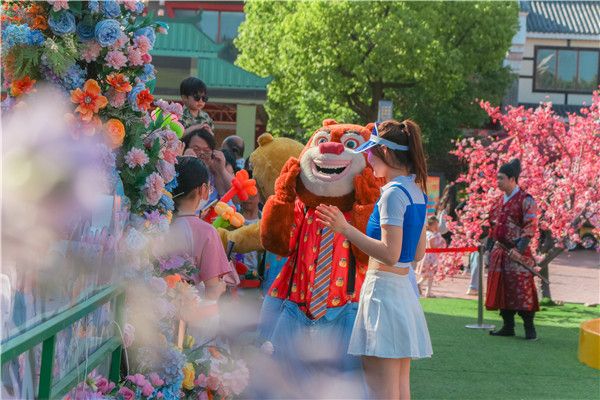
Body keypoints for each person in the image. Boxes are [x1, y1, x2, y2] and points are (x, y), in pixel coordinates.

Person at [316, 119, 432, 400]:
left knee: (382, 389)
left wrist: (345, 229)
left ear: (387, 153)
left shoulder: (393, 193)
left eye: (372, 152)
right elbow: (416, 253)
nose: (368, 159)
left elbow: (391, 254)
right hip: (400, 294)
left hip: (383, 293)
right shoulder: (417, 190)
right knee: (398, 387)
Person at [169, 156, 236, 343]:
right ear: (203, 190)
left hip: (159, 313)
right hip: (193, 320)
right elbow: (212, 290)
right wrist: (222, 286)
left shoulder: (159, 223)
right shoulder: (206, 232)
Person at [486, 159, 540, 340]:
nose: (498, 181)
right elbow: (492, 227)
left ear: (512, 179)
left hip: (518, 254)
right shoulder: (497, 202)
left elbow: (530, 225)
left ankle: (529, 328)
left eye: (501, 178)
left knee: (522, 290)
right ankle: (508, 326)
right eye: (497, 178)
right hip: (500, 252)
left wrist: (520, 248)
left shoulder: (526, 200)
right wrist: (489, 249)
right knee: (502, 289)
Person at [181, 127, 234, 204]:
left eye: (206, 150)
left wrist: (222, 170)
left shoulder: (215, 173)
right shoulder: (179, 169)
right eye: (196, 149)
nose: (201, 154)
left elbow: (236, 196)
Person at [417, 216, 446, 298]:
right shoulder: (430, 235)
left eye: (437, 224)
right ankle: (426, 291)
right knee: (430, 275)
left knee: (428, 274)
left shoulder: (431, 234)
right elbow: (432, 246)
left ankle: (421, 286)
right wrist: (440, 244)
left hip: (429, 256)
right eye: (435, 224)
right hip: (430, 257)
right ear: (430, 225)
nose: (437, 226)